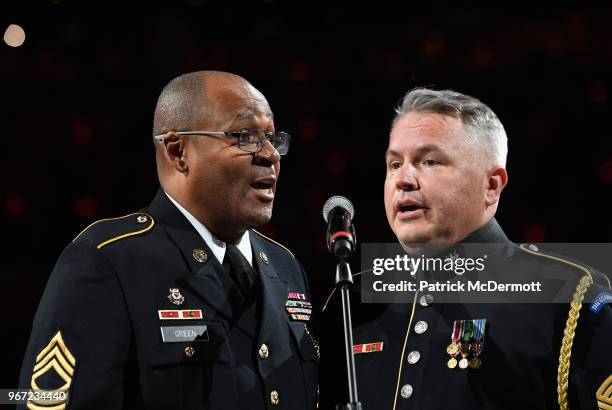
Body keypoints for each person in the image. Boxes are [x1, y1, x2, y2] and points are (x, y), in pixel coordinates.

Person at [18, 71, 318, 410]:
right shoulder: (108, 261)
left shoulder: (286, 267)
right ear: (178, 152)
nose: (270, 155)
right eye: (245, 136)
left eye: (272, 138)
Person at [318, 88, 612, 409]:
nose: (403, 179)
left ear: (492, 185)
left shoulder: (566, 296)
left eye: (430, 161)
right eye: (394, 164)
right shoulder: (353, 301)